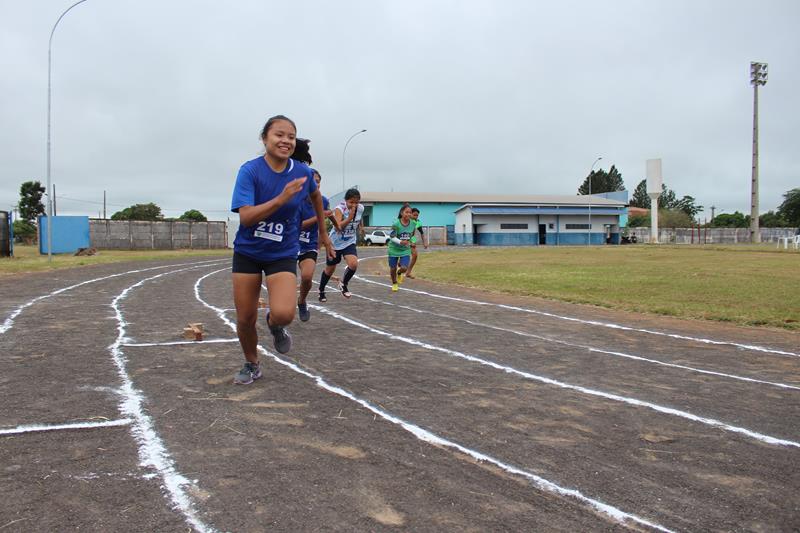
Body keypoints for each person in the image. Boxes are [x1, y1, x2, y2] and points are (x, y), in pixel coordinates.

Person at [230, 115, 333, 385]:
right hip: (248, 252)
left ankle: (275, 325)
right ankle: (252, 363)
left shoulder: (302, 173)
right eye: (279, 135)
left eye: (290, 136)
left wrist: (323, 233)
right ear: (265, 138)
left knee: (285, 313)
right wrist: (282, 198)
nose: (285, 140)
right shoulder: (250, 171)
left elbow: (316, 199)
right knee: (244, 318)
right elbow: (247, 217)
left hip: (282, 252)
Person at [297, 168, 337, 321]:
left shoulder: (323, 201)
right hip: (290, 243)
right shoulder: (295, 200)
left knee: (307, 277)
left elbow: (328, 214)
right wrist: (319, 217)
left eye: (318, 182)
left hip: (309, 244)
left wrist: (337, 226)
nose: (316, 184)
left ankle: (301, 300)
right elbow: (297, 226)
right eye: (313, 181)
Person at [318, 188, 364, 301]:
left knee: (353, 264)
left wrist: (361, 227)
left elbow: (359, 217)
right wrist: (349, 218)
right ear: (345, 201)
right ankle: (321, 290)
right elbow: (338, 227)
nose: (354, 205)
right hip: (335, 243)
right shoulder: (340, 209)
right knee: (330, 269)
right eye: (351, 202)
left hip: (349, 241)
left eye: (356, 202)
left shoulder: (361, 208)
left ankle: (344, 284)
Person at [388, 204, 415, 292]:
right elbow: (392, 236)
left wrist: (413, 242)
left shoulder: (413, 224)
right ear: (401, 213)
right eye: (406, 212)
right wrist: (400, 242)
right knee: (392, 268)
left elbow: (413, 235)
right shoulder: (396, 223)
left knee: (404, 268)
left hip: (405, 250)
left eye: (410, 213)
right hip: (393, 249)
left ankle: (399, 273)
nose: (408, 214)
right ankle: (394, 283)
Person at [404, 207, 428, 279]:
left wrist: (425, 242)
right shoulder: (406, 220)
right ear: (410, 214)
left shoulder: (418, 222)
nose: (416, 217)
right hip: (404, 238)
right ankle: (401, 265)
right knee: (404, 255)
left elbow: (422, 233)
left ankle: (408, 272)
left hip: (412, 239)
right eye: (414, 215)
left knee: (415, 256)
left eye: (417, 215)